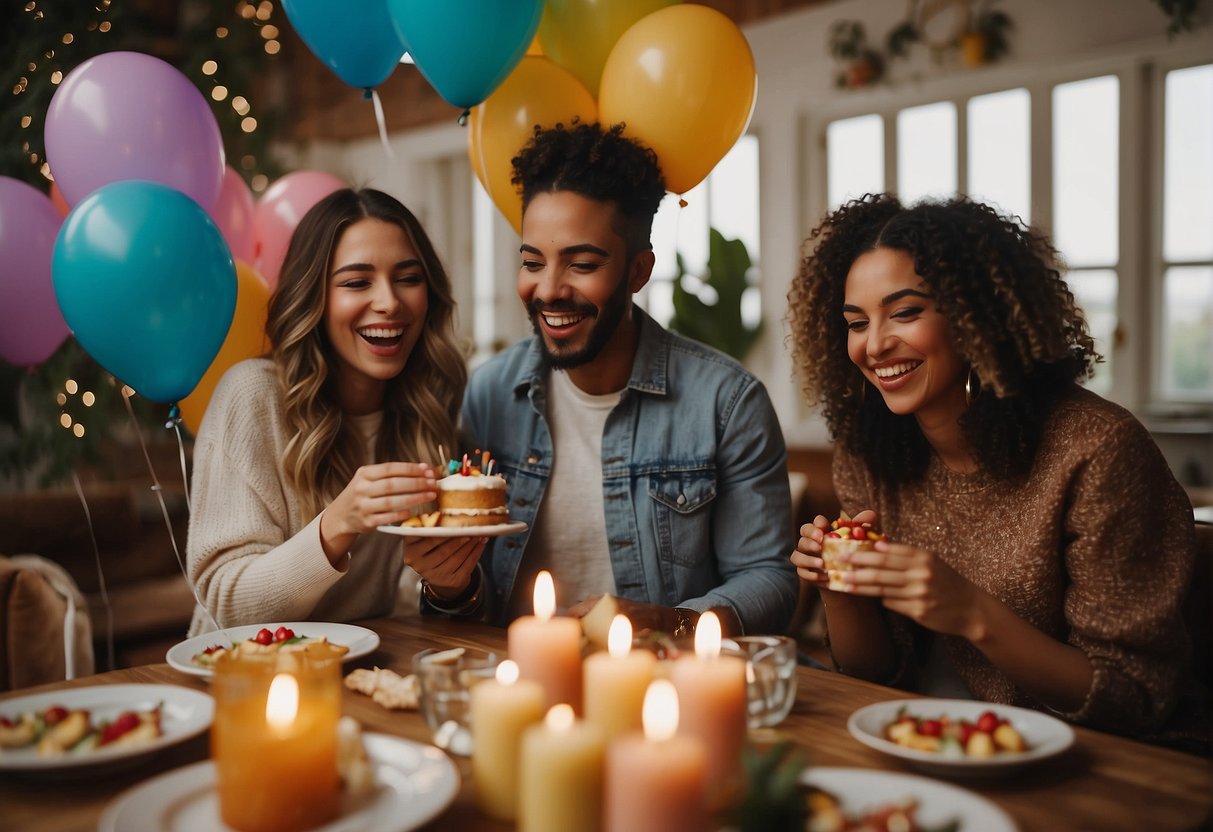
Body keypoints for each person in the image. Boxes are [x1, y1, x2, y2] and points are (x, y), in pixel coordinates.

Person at [787, 193, 1205, 744]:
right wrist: (839, 589)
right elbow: (876, 678)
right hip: (927, 740)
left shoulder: (1097, 449)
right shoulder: (869, 455)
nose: (875, 344)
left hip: (1089, 761)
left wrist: (969, 612)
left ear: (977, 316)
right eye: (856, 322)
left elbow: (1132, 697)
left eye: (906, 312)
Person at [454, 121, 798, 637]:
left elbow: (769, 580)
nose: (549, 290)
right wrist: (445, 585)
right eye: (532, 261)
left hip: (665, 690)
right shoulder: (489, 394)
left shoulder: (726, 402)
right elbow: (466, 590)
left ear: (639, 271)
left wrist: (668, 622)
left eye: (582, 264)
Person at [186, 188, 484, 634]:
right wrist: (336, 525)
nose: (389, 302)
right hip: (245, 681)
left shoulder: (430, 406)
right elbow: (229, 606)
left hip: (372, 678)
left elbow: (410, 604)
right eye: (356, 282)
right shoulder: (253, 397)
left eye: (408, 277)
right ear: (315, 298)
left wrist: (449, 587)